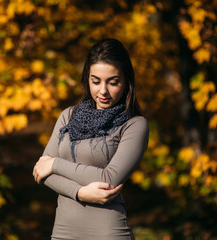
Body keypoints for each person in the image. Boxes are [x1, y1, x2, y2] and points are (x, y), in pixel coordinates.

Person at [32, 38, 149, 240]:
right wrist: (79, 193)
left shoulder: (134, 125)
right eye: (96, 81)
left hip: (108, 232)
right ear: (87, 79)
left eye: (113, 82)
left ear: (126, 81)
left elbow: (108, 179)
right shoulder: (68, 116)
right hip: (63, 233)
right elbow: (42, 172)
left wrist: (55, 164)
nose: (103, 91)